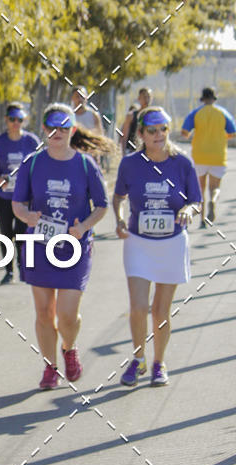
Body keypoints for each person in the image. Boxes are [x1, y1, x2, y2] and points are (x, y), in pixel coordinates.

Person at [12, 104, 112, 389]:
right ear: (44, 129)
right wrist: (26, 215)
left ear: (73, 130)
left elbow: (102, 206)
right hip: (40, 246)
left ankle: (69, 347)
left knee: (67, 315)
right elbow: (17, 203)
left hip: (73, 248)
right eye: (52, 127)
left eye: (64, 127)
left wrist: (83, 227)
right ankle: (50, 367)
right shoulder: (32, 163)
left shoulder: (84, 164)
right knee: (44, 313)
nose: (58, 133)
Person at [114, 106, 201, 387]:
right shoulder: (130, 163)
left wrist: (189, 210)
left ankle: (158, 363)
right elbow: (118, 197)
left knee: (160, 311)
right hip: (138, 242)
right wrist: (118, 219)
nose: (159, 135)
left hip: (172, 242)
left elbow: (196, 201)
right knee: (138, 307)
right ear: (140, 134)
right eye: (152, 130)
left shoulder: (182, 163)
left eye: (163, 128)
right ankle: (138, 359)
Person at [0, 103, 40, 284]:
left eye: (19, 119)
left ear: (24, 120)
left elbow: (38, 165)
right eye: (12, 119)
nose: (16, 123)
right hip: (4, 197)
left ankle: (22, 267)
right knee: (5, 233)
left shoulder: (32, 141)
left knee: (21, 232)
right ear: (6, 120)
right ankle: (8, 271)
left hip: (24, 197)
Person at [181, 86, 236, 226]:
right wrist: (223, 136)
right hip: (218, 155)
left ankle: (202, 220)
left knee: (200, 189)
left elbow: (184, 132)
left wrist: (194, 134)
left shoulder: (196, 113)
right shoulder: (223, 113)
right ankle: (214, 200)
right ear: (214, 98)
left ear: (203, 98)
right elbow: (233, 132)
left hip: (200, 155)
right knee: (215, 187)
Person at [119, 87, 152, 155]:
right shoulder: (131, 116)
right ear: (139, 98)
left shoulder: (154, 116)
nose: (147, 99)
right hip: (132, 151)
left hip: (148, 152)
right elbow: (124, 136)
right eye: (144, 97)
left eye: (149, 97)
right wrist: (124, 153)